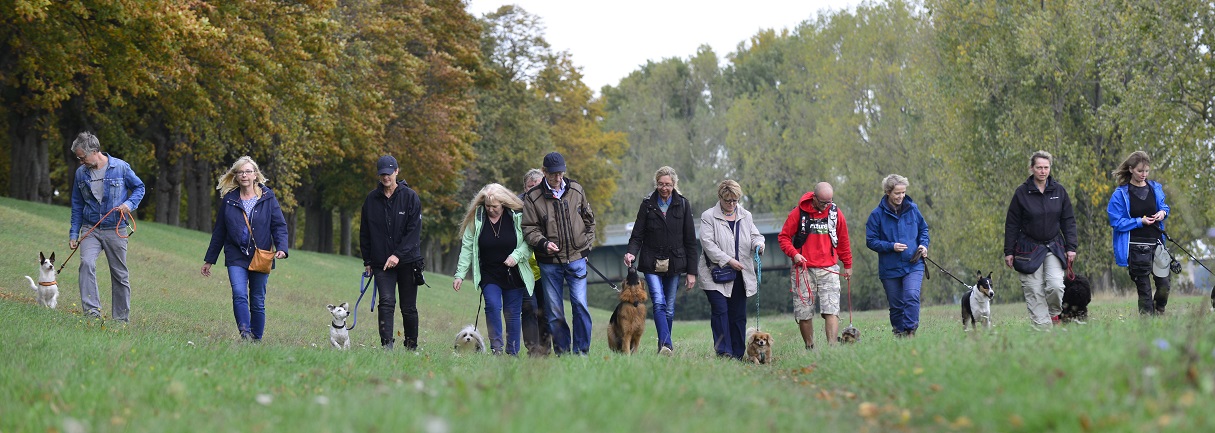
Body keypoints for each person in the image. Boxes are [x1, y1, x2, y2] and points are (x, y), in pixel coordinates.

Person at [202, 156, 290, 341]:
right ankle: (245, 333)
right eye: (240, 172)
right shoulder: (229, 200)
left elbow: (278, 225)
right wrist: (209, 260)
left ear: (255, 175)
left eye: (248, 171)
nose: (244, 175)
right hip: (236, 254)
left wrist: (281, 247)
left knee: (257, 300)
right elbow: (219, 231)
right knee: (239, 294)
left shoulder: (267, 197)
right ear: (235, 176)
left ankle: (256, 338)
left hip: (261, 255)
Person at [521, 152, 597, 356]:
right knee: (554, 312)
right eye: (553, 174)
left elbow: (590, 221)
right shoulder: (533, 197)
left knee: (580, 306)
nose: (558, 178)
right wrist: (544, 243)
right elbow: (529, 229)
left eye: (561, 173)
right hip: (549, 262)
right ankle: (563, 353)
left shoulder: (576, 190)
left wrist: (586, 247)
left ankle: (581, 352)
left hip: (577, 259)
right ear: (544, 172)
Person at [69, 131, 146, 322]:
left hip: (115, 228)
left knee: (119, 274)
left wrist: (128, 205)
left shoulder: (120, 167)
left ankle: (120, 320)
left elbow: (139, 187)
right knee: (86, 263)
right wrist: (73, 232)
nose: (81, 162)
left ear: (94, 151)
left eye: (82, 157)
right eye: (78, 158)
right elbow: (77, 205)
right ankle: (92, 313)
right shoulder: (81, 174)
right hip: (90, 228)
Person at [453, 183, 535, 355]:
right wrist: (460, 274)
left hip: (514, 273)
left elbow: (529, 243)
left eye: (495, 207)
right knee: (492, 306)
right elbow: (467, 247)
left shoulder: (517, 216)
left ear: (503, 203)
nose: (491, 210)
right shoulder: (477, 218)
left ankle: (512, 352)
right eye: (488, 206)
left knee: (512, 314)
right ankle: (496, 349)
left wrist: (516, 256)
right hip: (489, 273)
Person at [624, 166, 698, 355]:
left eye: (667, 185)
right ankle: (667, 344)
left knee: (670, 308)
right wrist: (631, 253)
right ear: (656, 184)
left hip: (675, 261)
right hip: (651, 261)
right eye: (660, 184)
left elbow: (690, 241)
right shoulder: (647, 204)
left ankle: (663, 347)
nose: (664, 188)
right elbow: (637, 235)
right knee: (659, 302)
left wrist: (691, 272)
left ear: (674, 185)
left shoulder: (682, 204)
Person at [1004, 150, 1077, 328]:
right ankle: (1043, 331)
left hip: (1053, 245)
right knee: (1034, 290)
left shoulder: (1059, 191)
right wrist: (1009, 251)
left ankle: (1054, 315)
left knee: (1055, 286)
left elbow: (1068, 221)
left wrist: (1071, 247)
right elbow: (1012, 224)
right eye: (1039, 168)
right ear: (1032, 168)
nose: (1043, 171)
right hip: (1028, 248)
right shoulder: (1021, 193)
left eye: (1046, 167)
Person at [778, 182, 853, 349]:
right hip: (803, 270)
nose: (826, 205)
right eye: (823, 202)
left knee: (831, 310)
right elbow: (783, 238)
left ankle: (832, 348)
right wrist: (795, 254)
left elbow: (843, 241)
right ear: (814, 198)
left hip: (829, 269)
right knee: (804, 313)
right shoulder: (798, 213)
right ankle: (810, 347)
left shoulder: (835, 214)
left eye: (830, 201)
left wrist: (847, 264)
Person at [360, 155, 424, 349]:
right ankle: (386, 344)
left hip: (407, 261)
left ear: (396, 171)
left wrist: (398, 255)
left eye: (389, 173)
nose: (386, 177)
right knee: (386, 302)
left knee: (408, 308)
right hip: (381, 262)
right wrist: (368, 260)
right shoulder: (371, 200)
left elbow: (414, 233)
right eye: (382, 174)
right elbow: (365, 232)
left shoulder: (410, 197)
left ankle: (411, 346)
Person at [697, 180, 764, 359]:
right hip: (714, 273)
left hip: (740, 274)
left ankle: (737, 353)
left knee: (738, 315)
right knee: (720, 311)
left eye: (735, 200)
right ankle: (723, 351)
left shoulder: (745, 215)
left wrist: (759, 245)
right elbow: (707, 243)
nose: (732, 204)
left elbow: (755, 236)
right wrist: (728, 260)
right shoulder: (708, 216)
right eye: (728, 201)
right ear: (720, 198)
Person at [864, 174, 929, 338]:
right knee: (896, 305)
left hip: (913, 263)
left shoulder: (913, 209)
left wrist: (923, 245)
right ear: (888, 192)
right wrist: (890, 246)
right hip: (890, 268)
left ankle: (910, 331)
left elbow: (924, 230)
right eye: (897, 193)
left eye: (903, 192)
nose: (901, 196)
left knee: (911, 295)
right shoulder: (876, 215)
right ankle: (899, 332)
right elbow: (871, 241)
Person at [1107, 151, 1171, 315]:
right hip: (1135, 247)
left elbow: (1164, 206)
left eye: (1147, 171)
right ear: (1130, 169)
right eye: (1140, 171)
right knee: (1144, 290)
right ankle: (1147, 325)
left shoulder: (1155, 188)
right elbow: (1116, 222)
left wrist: (1163, 213)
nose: (1144, 175)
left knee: (1164, 284)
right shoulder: (1120, 194)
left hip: (1157, 243)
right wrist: (1139, 221)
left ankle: (1160, 310)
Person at [518, 169, 555, 356]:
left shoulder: (551, 203)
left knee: (546, 310)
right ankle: (532, 348)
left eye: (538, 186)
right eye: (530, 187)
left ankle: (545, 348)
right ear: (525, 188)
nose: (534, 191)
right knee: (529, 308)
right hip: (524, 268)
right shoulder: (516, 207)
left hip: (547, 265)